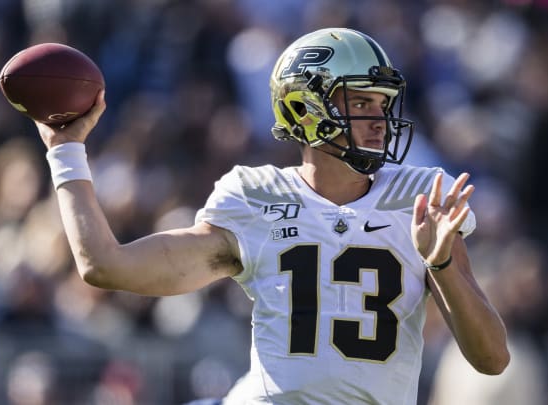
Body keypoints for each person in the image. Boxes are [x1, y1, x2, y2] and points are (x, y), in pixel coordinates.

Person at [34, 28, 509, 404]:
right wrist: (66, 151)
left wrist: (441, 262)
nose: (379, 119)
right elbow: (105, 265)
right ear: (306, 107)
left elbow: (491, 359)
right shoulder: (256, 196)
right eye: (362, 102)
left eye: (382, 104)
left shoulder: (420, 199)